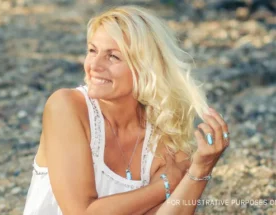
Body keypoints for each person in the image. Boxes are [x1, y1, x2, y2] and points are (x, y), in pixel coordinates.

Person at [23, 5, 230, 215]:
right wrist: (164, 186)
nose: (94, 65)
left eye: (113, 56)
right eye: (92, 50)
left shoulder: (165, 137)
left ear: (145, 69)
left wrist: (200, 169)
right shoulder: (66, 107)